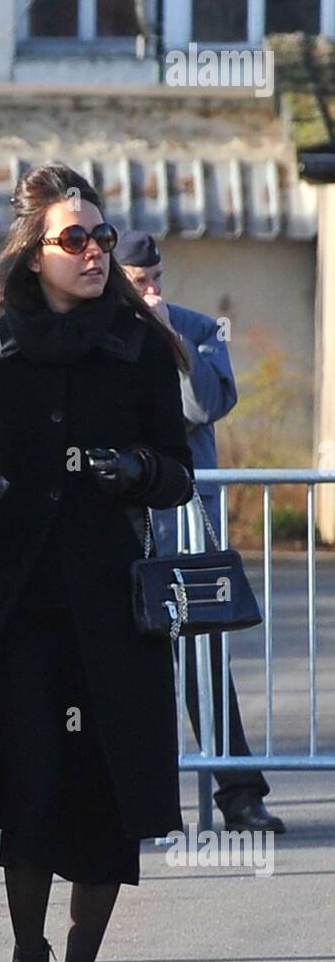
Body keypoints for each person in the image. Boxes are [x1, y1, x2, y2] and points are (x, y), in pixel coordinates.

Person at [0, 163, 195, 962]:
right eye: (72, 238)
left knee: (105, 805)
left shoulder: (140, 345)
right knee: (31, 792)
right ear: (32, 252)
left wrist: (133, 471)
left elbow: (177, 467)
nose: (91, 251)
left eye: (101, 237)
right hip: (18, 603)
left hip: (112, 605)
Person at [115, 230, 285, 835]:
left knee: (203, 654)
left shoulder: (199, 329)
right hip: (116, 518)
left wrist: (173, 340)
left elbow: (201, 407)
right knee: (117, 659)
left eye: (157, 278)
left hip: (184, 517)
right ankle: (130, 802)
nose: (152, 290)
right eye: (139, 283)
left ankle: (239, 795)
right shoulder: (94, 330)